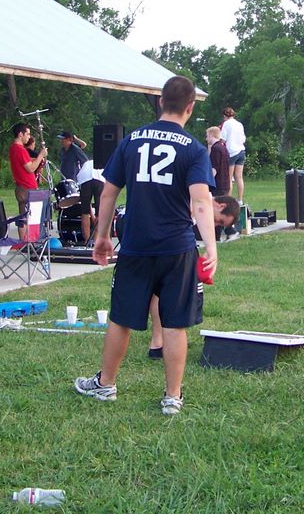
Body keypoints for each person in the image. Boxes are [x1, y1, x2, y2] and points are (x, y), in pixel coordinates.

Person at [74, 76, 218, 416]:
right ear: (190, 107)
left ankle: (106, 384)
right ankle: (172, 396)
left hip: (136, 245)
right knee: (174, 323)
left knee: (121, 317)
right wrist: (211, 247)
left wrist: (102, 236)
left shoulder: (131, 140)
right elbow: (201, 201)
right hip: (177, 247)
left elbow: (108, 193)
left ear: (160, 102)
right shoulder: (194, 148)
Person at [146, 194, 240, 358]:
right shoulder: (197, 197)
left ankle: (158, 342)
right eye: (219, 221)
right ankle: (160, 341)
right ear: (221, 206)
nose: (215, 225)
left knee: (158, 292)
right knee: (163, 292)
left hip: (159, 240)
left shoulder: (198, 206)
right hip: (156, 239)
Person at [9, 122, 47, 241]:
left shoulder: (13, 149)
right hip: (26, 187)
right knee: (29, 218)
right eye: (28, 134)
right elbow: (30, 168)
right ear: (21, 134)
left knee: (23, 216)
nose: (29, 137)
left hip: (22, 187)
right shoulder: (20, 149)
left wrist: (35, 159)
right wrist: (41, 155)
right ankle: (27, 242)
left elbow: (24, 162)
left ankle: (24, 242)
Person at [220, 107, 247, 203]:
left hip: (231, 152)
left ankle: (229, 201)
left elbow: (223, 139)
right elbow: (243, 139)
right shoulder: (239, 124)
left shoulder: (226, 124)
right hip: (241, 151)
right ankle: (240, 200)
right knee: (239, 177)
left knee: (229, 178)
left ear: (225, 116)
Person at [206, 127, 230, 197]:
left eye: (207, 136)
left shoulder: (215, 149)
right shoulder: (223, 148)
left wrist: (207, 182)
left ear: (211, 135)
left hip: (218, 185)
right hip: (225, 183)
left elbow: (214, 168)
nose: (206, 139)